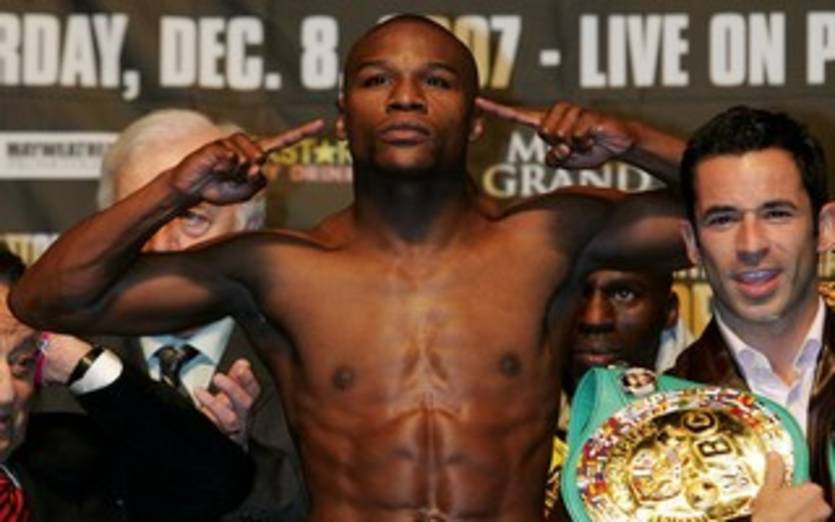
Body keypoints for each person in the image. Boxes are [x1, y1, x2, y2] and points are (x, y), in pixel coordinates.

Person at [8, 15, 753, 520]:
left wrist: (631, 141)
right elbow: (49, 300)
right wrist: (175, 189)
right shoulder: (278, 268)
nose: (404, 97)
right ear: (342, 115)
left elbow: (746, 213)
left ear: (476, 114)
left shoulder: (552, 237)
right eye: (376, 80)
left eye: (436, 81)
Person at [98, 108, 305, 520]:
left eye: (192, 218)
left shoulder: (305, 363)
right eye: (140, 220)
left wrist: (236, 461)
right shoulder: (59, 362)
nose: (161, 245)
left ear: (247, 232)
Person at [0, 244, 253, 521]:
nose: (6, 393)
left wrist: (85, 365)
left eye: (22, 362)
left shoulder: (63, 475)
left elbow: (212, 485)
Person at [670, 106, 835, 518]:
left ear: (825, 228)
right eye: (723, 219)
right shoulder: (654, 421)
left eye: (776, 214)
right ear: (692, 243)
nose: (750, 245)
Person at [544, 267, 679, 518]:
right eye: (575, 293)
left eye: (624, 294)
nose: (594, 319)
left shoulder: (720, 410)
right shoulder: (505, 431)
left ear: (669, 310)